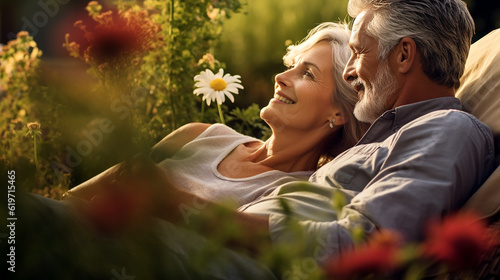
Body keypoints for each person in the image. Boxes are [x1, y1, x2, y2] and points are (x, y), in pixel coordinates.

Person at [124, 0, 495, 270]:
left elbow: (356, 247)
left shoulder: (448, 129)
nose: (350, 72)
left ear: (403, 56)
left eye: (358, 52)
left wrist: (183, 208)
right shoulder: (386, 139)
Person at [64, 22, 368, 208]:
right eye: (291, 65)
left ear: (339, 112)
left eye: (308, 73)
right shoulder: (199, 135)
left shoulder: (291, 196)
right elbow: (72, 200)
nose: (281, 77)